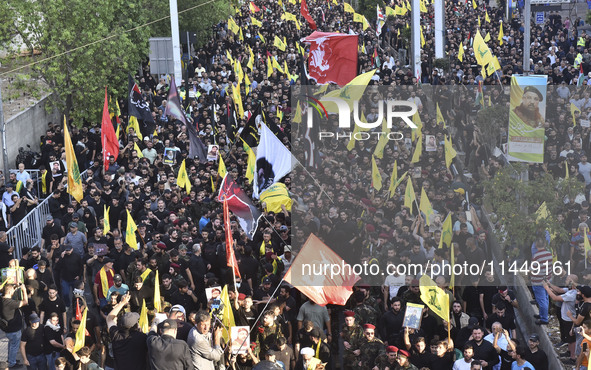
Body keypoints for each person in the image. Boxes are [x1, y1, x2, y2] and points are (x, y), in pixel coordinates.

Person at [106, 292, 148, 370]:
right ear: (136, 325)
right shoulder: (142, 337)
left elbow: (109, 318)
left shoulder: (116, 335)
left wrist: (122, 303)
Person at [2, 282, 28, 368]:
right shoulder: (10, 303)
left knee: (11, 344)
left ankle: (10, 359)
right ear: (9, 292)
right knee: (14, 346)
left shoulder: (2, 300)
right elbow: (25, 302)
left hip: (7, 329)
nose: (14, 292)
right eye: (13, 290)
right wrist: (24, 290)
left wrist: (13, 286)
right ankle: (12, 363)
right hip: (13, 329)